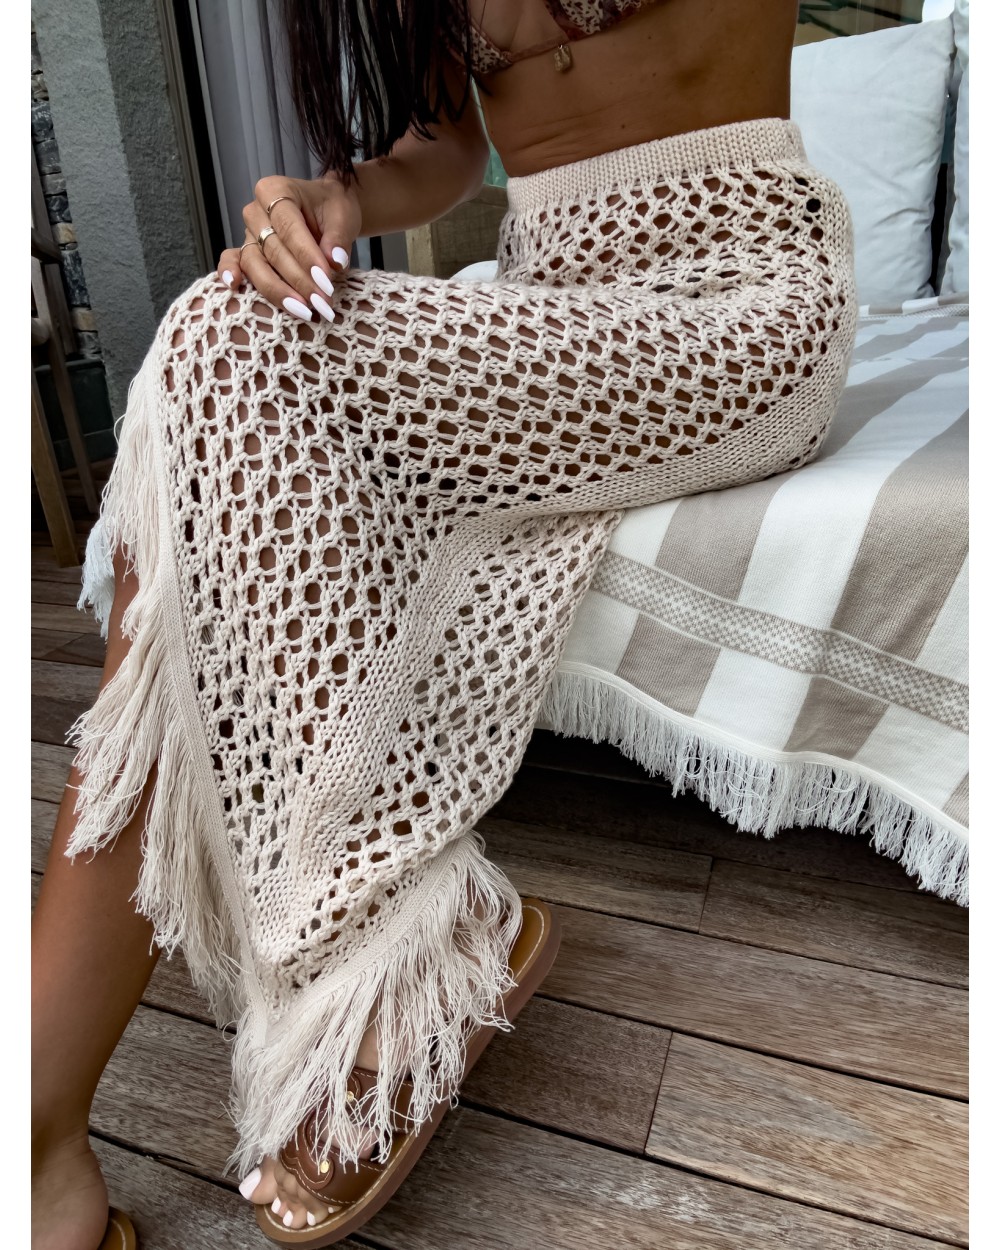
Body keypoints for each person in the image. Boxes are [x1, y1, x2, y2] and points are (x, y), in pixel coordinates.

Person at [32, 1, 857, 1246]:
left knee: (217, 347)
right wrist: (340, 196)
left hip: (734, 301)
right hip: (548, 310)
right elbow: (447, 147)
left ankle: (56, 1123)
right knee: (207, 435)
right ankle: (41, 1124)